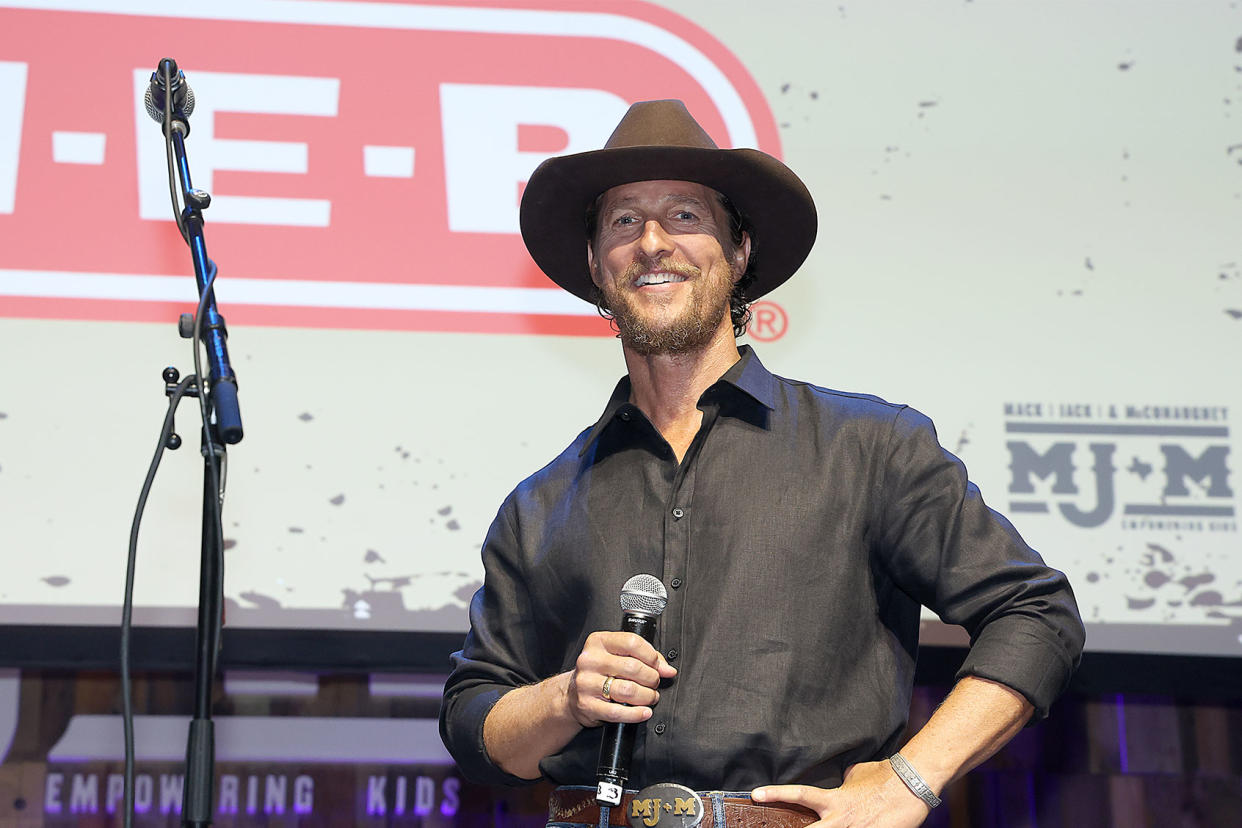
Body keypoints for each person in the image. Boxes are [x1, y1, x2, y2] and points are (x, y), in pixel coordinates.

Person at [439, 100, 1084, 827]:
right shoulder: (540, 504)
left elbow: (1036, 614)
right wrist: (562, 699)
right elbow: (473, 722)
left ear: (739, 252)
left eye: (684, 216)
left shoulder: (869, 447)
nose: (652, 242)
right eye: (624, 222)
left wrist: (909, 781)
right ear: (595, 264)